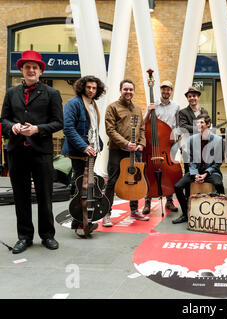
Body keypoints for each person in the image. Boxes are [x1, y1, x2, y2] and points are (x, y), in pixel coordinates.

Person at [1, 50, 63, 253]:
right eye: (27, 67)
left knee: (45, 196)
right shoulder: (11, 93)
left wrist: (37, 129)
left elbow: (58, 123)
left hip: (41, 152)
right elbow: (3, 120)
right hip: (17, 152)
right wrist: (13, 127)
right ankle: (24, 237)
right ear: (21, 70)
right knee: (21, 196)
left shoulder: (52, 94)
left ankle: (47, 235)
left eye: (34, 67)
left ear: (40, 72)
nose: (31, 70)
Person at [61, 75, 105, 233]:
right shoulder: (74, 103)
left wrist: (99, 144)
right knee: (80, 185)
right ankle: (78, 219)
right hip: (79, 152)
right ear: (82, 87)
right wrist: (84, 147)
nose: (91, 90)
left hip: (91, 152)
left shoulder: (93, 104)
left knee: (86, 186)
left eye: (94, 88)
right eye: (88, 87)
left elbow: (93, 129)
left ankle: (82, 219)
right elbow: (68, 128)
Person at [103, 79, 148, 226]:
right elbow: (110, 130)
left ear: (133, 91)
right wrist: (126, 143)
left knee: (135, 178)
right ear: (120, 90)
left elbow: (142, 128)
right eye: (125, 89)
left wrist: (141, 143)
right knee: (112, 181)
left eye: (131, 89)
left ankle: (134, 211)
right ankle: (106, 213)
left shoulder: (137, 109)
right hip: (117, 150)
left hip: (135, 151)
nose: (128, 92)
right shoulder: (112, 108)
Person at [172, 114, 224, 224]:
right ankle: (186, 214)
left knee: (219, 184)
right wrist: (195, 174)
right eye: (197, 123)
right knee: (177, 186)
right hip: (195, 171)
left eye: (202, 122)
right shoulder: (191, 139)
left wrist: (205, 174)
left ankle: (222, 212)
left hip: (211, 172)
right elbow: (190, 160)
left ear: (208, 124)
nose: (199, 125)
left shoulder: (218, 140)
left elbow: (218, 162)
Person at [141, 80, 180, 215]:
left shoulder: (176, 106)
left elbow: (177, 125)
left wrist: (176, 136)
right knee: (148, 170)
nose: (165, 92)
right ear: (160, 90)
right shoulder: (153, 105)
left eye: (168, 89)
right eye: (163, 89)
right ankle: (147, 201)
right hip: (153, 144)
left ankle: (169, 200)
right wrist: (148, 112)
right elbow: (144, 124)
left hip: (168, 144)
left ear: (171, 91)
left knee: (169, 171)